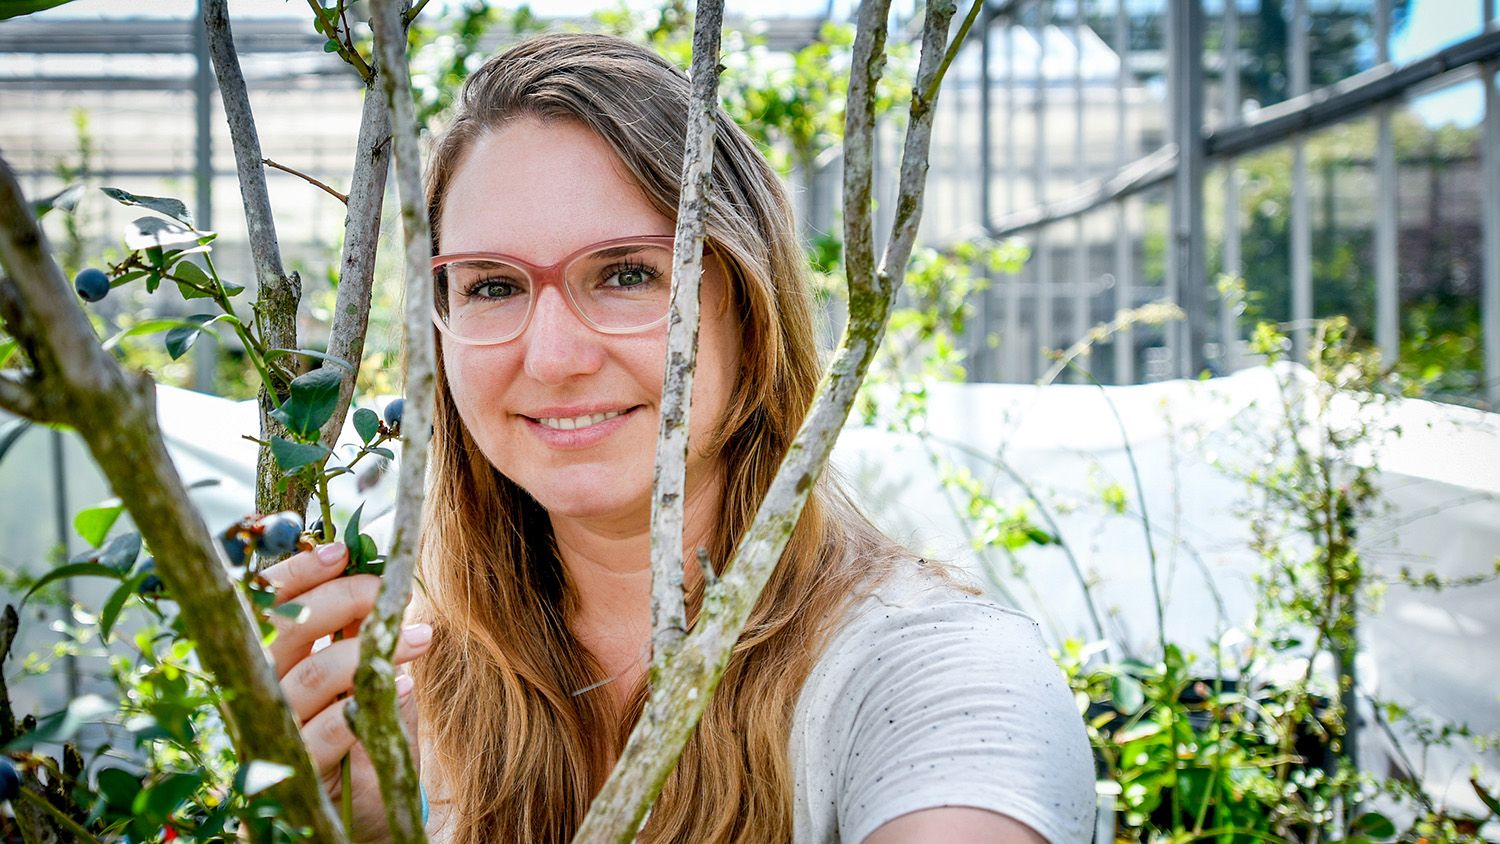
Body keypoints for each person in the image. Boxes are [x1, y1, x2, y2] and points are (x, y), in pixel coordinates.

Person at [262, 32, 1096, 844]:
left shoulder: (934, 679)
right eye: (491, 285)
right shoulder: (401, 705)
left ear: (751, 304)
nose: (551, 359)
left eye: (627, 274)